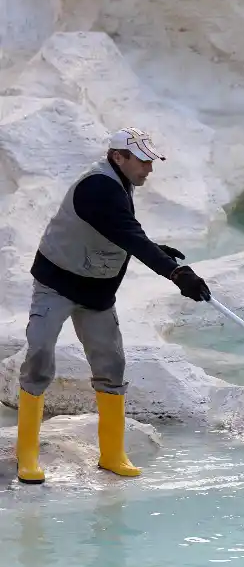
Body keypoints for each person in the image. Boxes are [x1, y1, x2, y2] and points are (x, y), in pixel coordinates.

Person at [14, 127, 212, 485]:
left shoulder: (121, 182)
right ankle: (26, 454)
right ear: (118, 157)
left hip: (97, 290)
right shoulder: (98, 186)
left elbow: (123, 231)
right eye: (143, 160)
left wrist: (158, 251)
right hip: (57, 282)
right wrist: (177, 272)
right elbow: (126, 232)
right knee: (40, 354)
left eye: (152, 160)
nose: (149, 168)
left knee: (112, 364)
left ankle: (111, 453)